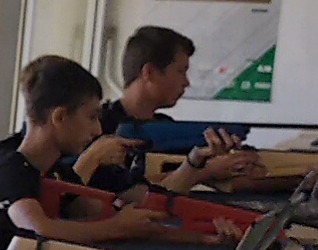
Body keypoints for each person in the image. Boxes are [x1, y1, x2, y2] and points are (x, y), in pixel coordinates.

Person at [0, 57, 174, 250]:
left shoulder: (55, 172)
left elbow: (94, 210)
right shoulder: (9, 172)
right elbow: (40, 228)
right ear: (59, 117)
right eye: (91, 117)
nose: (97, 130)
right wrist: (117, 227)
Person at [80, 25, 270, 196]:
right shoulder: (97, 129)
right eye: (181, 71)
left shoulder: (165, 127)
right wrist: (206, 170)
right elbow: (120, 192)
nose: (186, 82)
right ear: (149, 72)